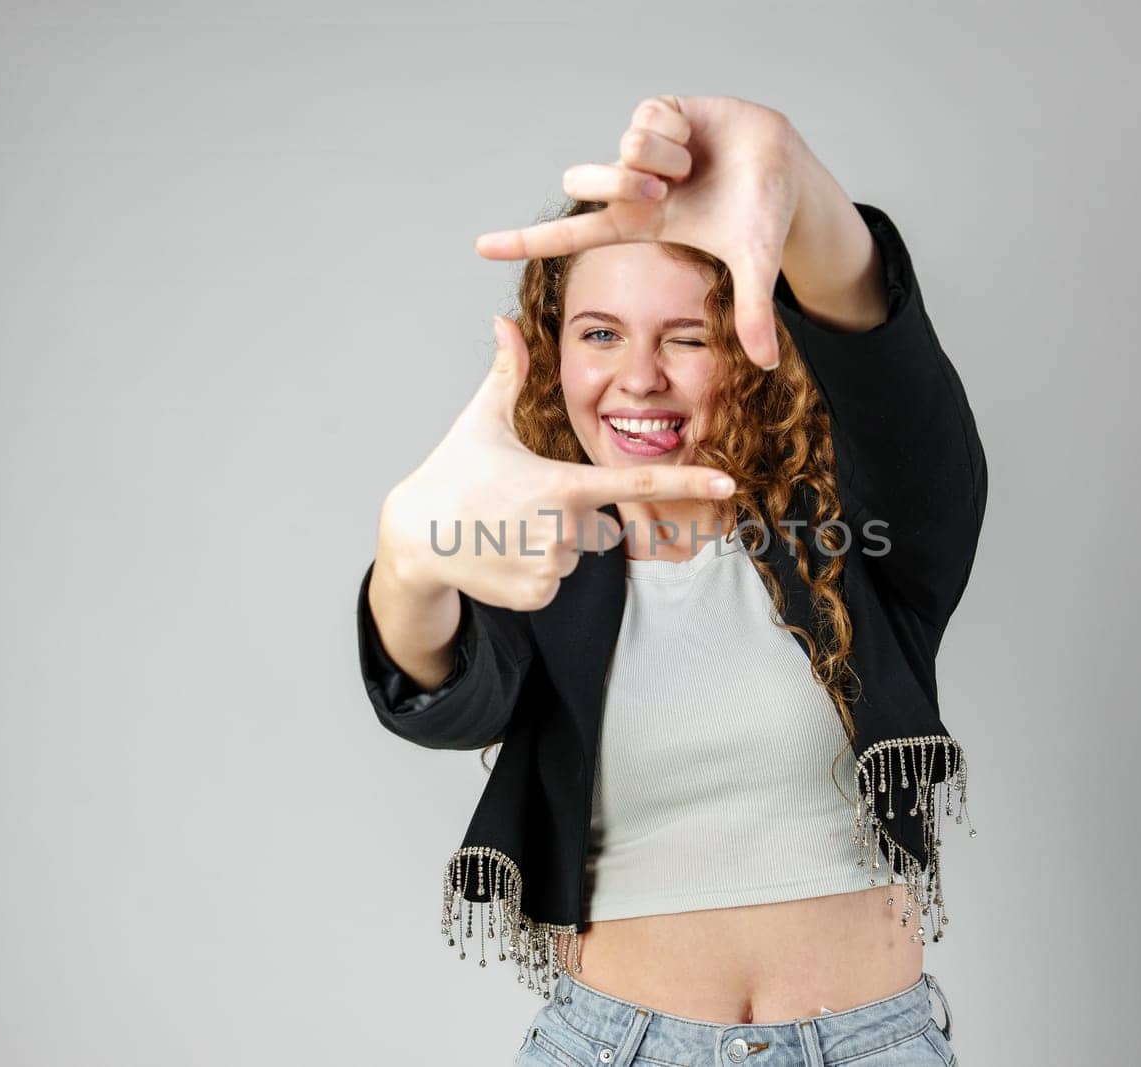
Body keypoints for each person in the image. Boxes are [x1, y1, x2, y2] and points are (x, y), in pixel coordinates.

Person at [357, 95, 988, 1066]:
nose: (639, 376)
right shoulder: (540, 561)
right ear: (553, 348)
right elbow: (444, 693)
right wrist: (407, 562)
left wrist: (795, 182)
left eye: (686, 337)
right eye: (600, 333)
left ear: (746, 345)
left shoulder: (851, 548)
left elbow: (902, 401)